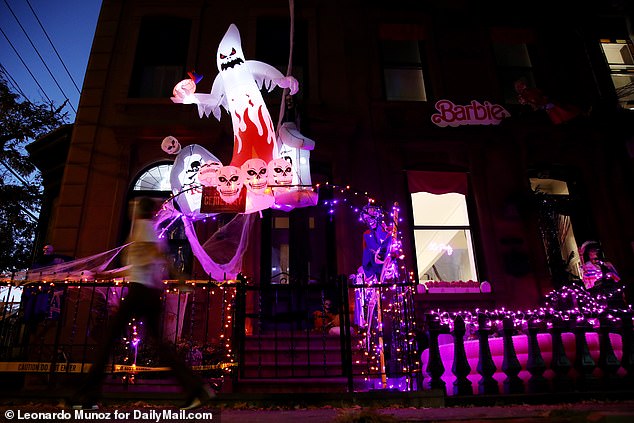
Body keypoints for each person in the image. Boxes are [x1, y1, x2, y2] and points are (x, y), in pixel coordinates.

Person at [70, 197, 214, 410]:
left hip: (141, 291)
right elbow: (149, 261)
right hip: (147, 291)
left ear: (139, 210)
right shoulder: (149, 231)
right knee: (159, 346)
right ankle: (197, 390)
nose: (130, 209)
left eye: (133, 206)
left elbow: (154, 256)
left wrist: (175, 275)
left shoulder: (142, 228)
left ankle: (87, 397)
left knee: (108, 340)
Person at [579, 240, 624, 307]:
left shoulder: (607, 264)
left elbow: (617, 280)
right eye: (591, 254)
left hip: (613, 295)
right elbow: (588, 286)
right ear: (588, 255)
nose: (593, 256)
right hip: (599, 299)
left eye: (595, 252)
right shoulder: (587, 267)